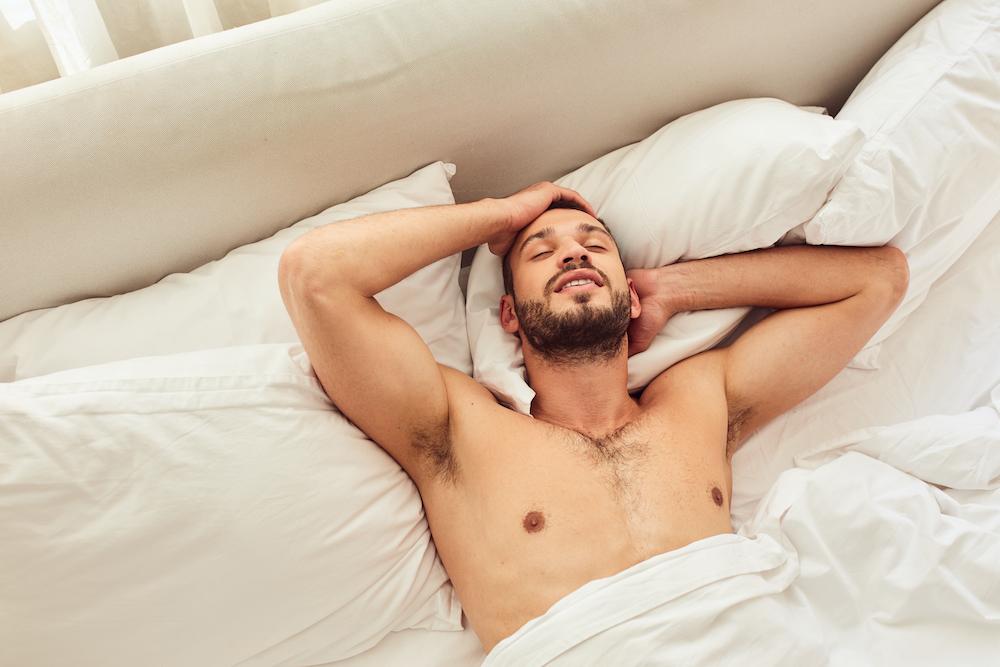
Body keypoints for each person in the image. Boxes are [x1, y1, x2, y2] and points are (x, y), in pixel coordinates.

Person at [277, 180, 909, 654]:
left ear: (627, 291)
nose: (572, 255)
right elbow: (315, 276)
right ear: (508, 315)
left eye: (593, 246)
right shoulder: (458, 430)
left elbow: (878, 279)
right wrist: (504, 215)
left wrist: (679, 290)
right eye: (541, 252)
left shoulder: (700, 398)